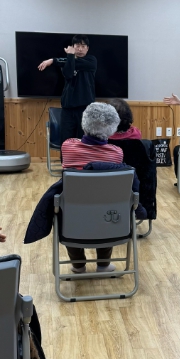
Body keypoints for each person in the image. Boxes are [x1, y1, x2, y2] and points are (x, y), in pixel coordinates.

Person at [60, 102, 124, 274]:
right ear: (112, 128)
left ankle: (78, 265)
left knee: (68, 212)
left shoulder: (68, 146)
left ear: (84, 123)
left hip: (73, 217)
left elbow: (75, 142)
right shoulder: (116, 153)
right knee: (107, 206)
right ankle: (103, 264)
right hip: (107, 217)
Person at [38, 35, 97, 149]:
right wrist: (68, 57)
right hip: (68, 108)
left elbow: (76, 63)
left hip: (85, 108)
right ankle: (65, 161)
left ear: (87, 48)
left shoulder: (91, 60)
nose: (80, 49)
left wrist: (54, 60)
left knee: (83, 141)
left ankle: (82, 161)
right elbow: (68, 74)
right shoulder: (69, 61)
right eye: (77, 46)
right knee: (65, 141)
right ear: (73, 47)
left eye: (83, 46)